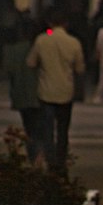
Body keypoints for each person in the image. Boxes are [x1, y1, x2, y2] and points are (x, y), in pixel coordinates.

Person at [26, 9, 85, 170]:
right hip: (65, 90)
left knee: (47, 129)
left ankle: (50, 159)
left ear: (49, 23)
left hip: (46, 91)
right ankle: (61, 159)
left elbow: (31, 62)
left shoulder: (42, 40)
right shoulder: (74, 42)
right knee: (63, 129)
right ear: (66, 24)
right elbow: (80, 68)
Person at [2, 13, 44, 162]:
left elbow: (9, 70)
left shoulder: (12, 51)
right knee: (40, 127)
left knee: (29, 126)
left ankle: (33, 155)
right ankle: (39, 155)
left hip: (21, 94)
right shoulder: (39, 47)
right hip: (40, 94)